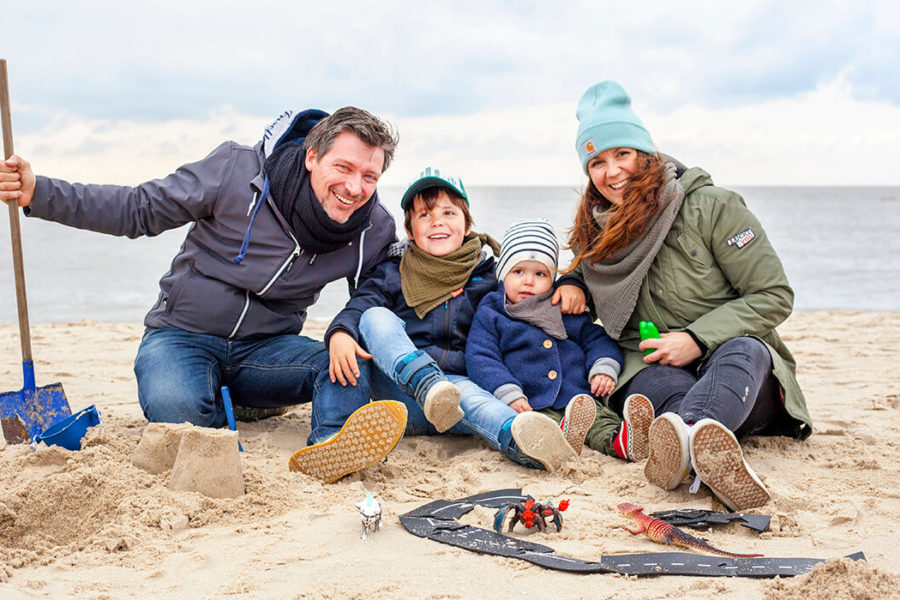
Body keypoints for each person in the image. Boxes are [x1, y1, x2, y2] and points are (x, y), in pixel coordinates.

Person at [0, 107, 407, 483]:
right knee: (177, 409)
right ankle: (224, 404)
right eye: (344, 167)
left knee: (351, 363)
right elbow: (137, 209)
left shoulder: (372, 228)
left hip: (266, 350)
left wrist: (344, 330)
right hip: (181, 337)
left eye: (369, 176)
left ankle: (330, 446)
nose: (355, 187)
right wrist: (40, 192)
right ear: (311, 156)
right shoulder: (235, 170)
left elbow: (375, 289)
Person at [553, 81, 813, 510]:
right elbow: (583, 272)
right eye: (597, 161)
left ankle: (691, 445)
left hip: (737, 363)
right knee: (659, 395)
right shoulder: (596, 231)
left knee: (743, 352)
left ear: (646, 154)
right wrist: (570, 283)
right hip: (650, 359)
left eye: (622, 154)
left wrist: (695, 338)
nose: (612, 171)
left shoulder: (710, 206)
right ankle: (696, 449)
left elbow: (773, 294)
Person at [323, 168, 578, 472]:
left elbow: (533, 283)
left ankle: (524, 443)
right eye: (425, 215)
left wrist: (572, 284)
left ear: (468, 224)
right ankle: (425, 383)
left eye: (448, 212)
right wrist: (340, 331)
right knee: (375, 316)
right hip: (400, 391)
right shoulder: (393, 272)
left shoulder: (488, 276)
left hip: (457, 391)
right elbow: (359, 307)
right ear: (410, 229)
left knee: (479, 403)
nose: (437, 221)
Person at [466, 218, 656, 463]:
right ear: (502, 274)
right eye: (518, 271)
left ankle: (625, 443)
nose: (528, 281)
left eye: (540, 274)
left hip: (576, 396)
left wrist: (603, 369)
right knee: (537, 430)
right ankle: (562, 441)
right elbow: (481, 357)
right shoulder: (493, 311)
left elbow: (595, 339)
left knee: (600, 422)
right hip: (530, 401)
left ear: (552, 278)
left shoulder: (560, 305)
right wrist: (509, 393)